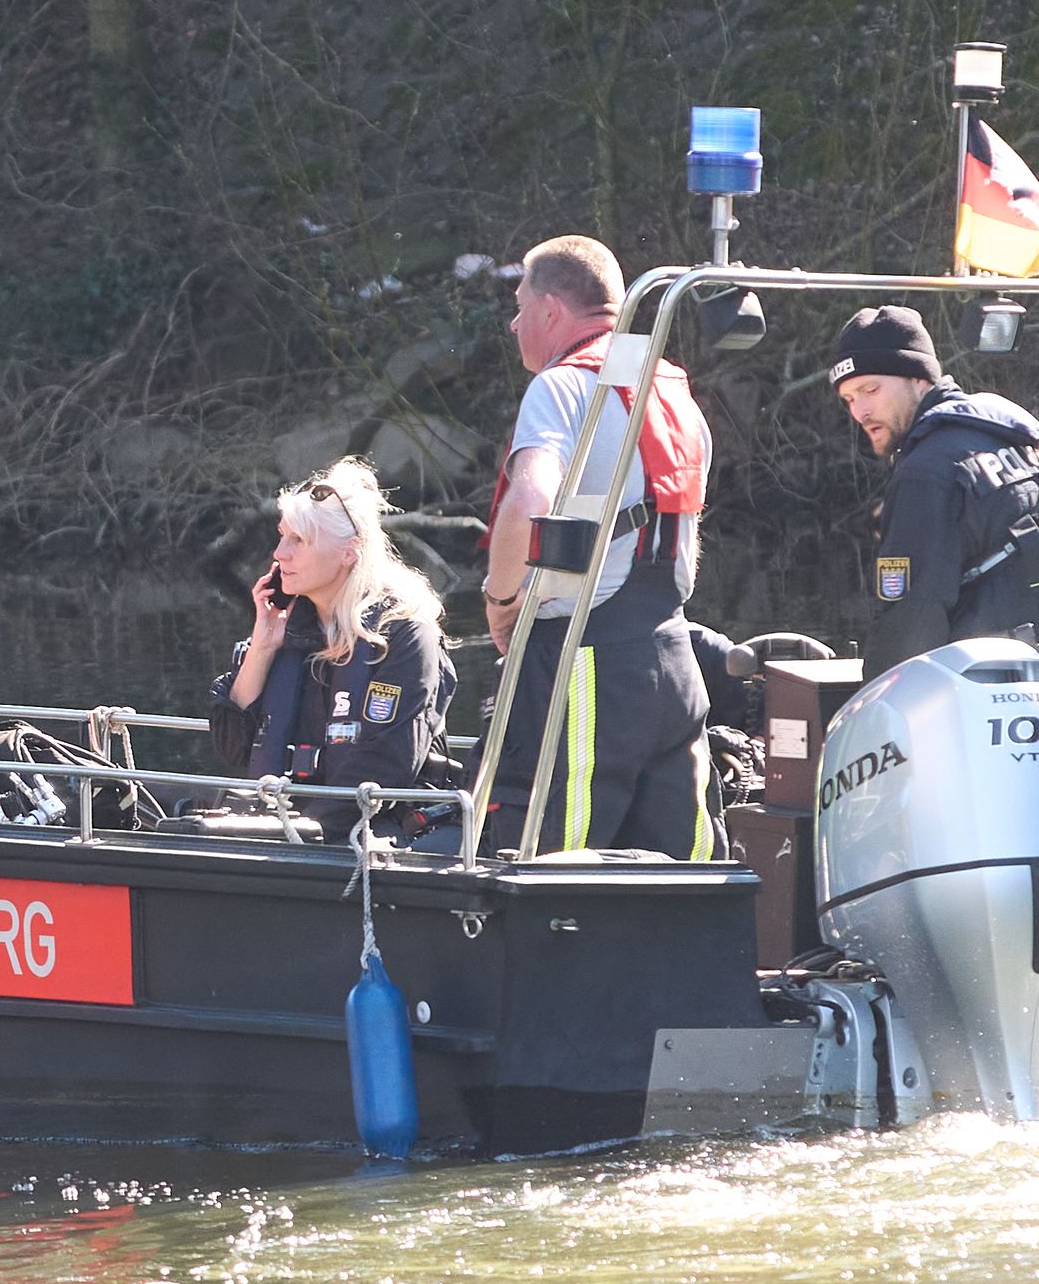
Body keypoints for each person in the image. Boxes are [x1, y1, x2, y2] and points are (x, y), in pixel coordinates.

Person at [477, 236, 716, 857]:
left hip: (586, 665)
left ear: (552, 310)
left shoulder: (561, 388)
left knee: (555, 870)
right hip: (674, 661)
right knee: (682, 870)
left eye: (520, 303)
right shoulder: (672, 390)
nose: (513, 321)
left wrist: (502, 598)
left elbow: (530, 500)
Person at [827, 304, 1039, 738]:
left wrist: (872, 716)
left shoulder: (929, 470)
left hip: (1003, 710)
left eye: (870, 390)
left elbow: (911, 616)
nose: (860, 412)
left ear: (918, 379)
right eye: (849, 399)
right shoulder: (1023, 440)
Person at [204, 457, 457, 798]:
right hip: (286, 819)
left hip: (373, 830)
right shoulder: (287, 629)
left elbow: (386, 766)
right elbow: (233, 747)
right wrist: (262, 647)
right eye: (282, 537)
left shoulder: (405, 635)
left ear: (349, 552)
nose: (280, 554)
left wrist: (309, 830)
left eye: (299, 541)